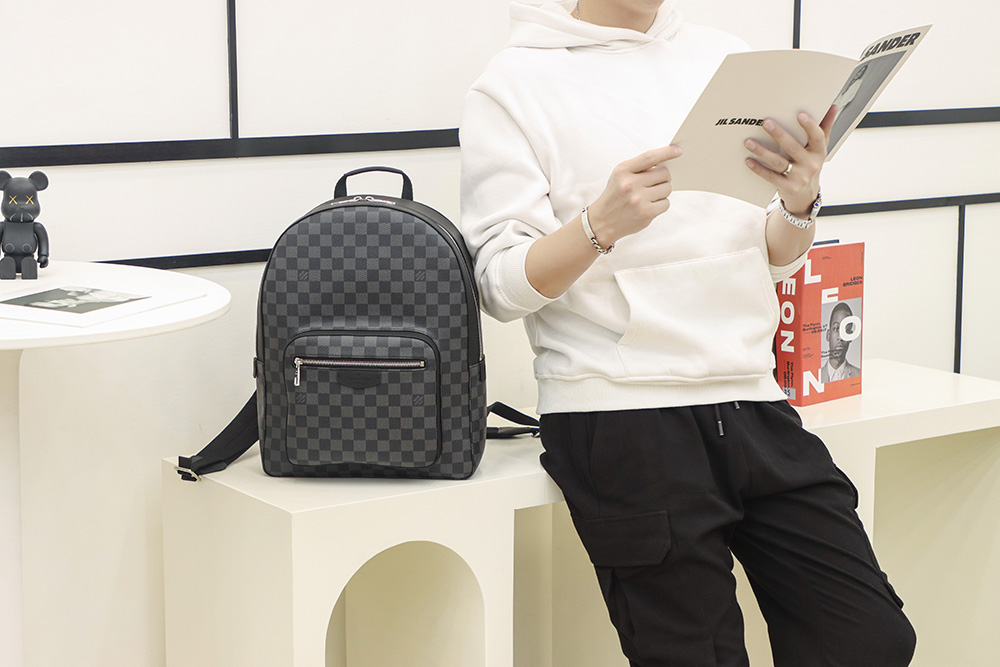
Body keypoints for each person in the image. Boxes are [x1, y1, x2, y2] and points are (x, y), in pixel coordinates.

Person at [460, 1, 916, 665]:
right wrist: (598, 226)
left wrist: (798, 202)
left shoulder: (728, 58)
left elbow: (772, 259)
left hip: (753, 400)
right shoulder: (514, 84)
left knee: (868, 639)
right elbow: (499, 286)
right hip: (623, 416)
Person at [821, 301, 862, 382]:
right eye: (836, 328)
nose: (840, 337)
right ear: (828, 335)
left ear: (851, 336)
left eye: (846, 331)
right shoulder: (815, 376)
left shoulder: (858, 374)